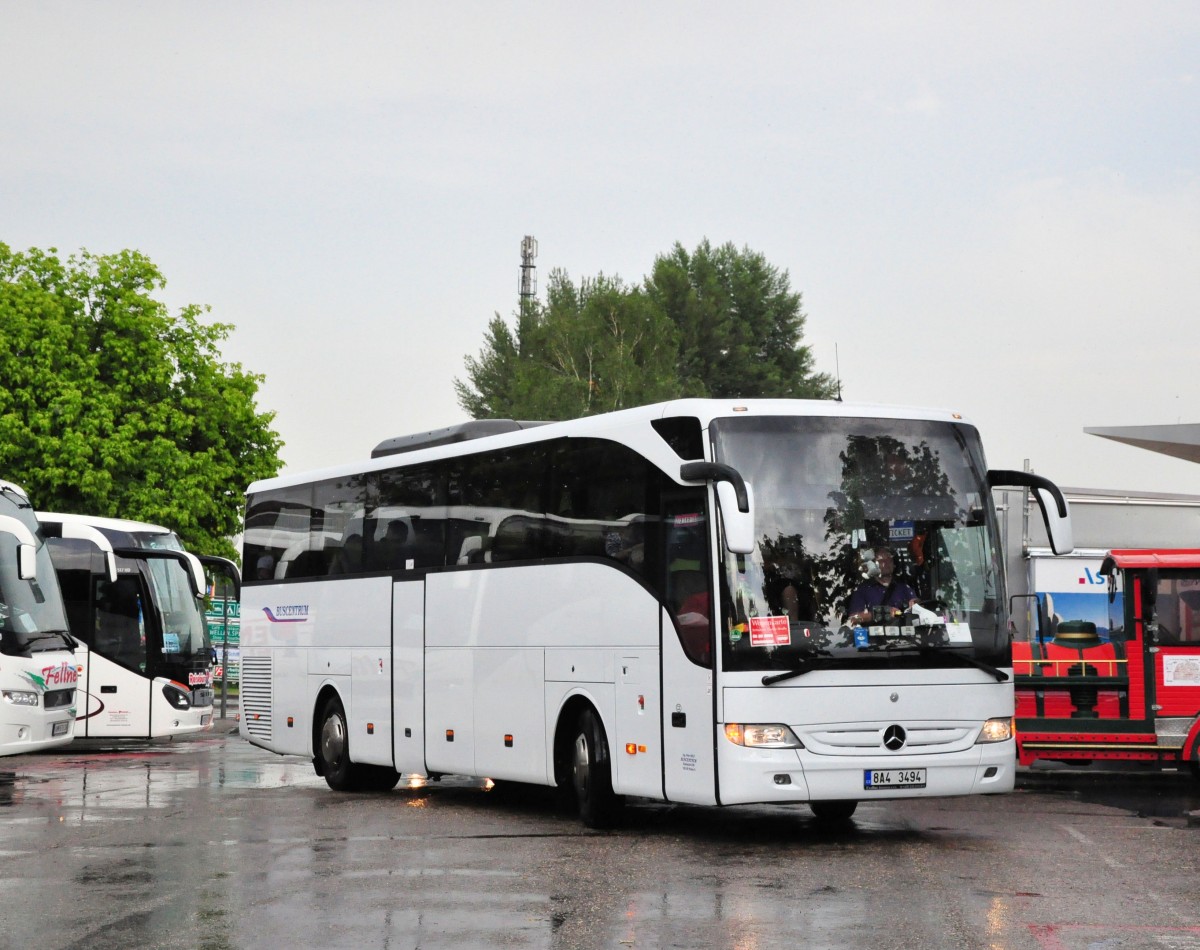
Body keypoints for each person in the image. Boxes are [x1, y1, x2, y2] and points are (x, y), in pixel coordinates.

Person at [845, 545, 918, 625]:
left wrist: (916, 604)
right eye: (881, 560)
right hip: (874, 637)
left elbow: (917, 609)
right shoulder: (863, 590)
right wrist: (880, 614)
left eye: (889, 560)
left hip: (903, 635)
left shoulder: (904, 588)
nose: (886, 563)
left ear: (894, 564)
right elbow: (854, 619)